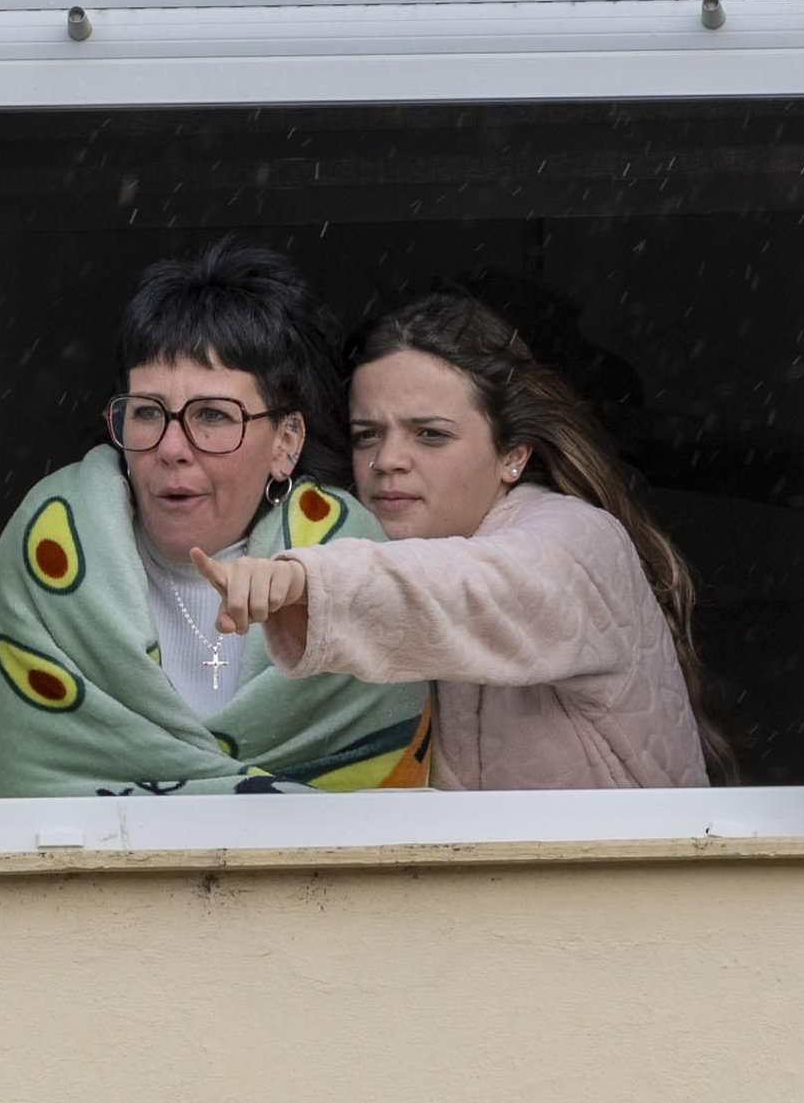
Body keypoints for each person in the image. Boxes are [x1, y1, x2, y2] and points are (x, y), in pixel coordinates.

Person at [192, 291, 731, 791]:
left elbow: (472, 589)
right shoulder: (377, 550)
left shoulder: (577, 540)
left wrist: (307, 578)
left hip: (632, 893)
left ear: (512, 455)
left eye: (431, 434)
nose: (388, 461)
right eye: (367, 435)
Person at [0, 238, 432, 797]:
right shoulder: (43, 546)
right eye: (148, 413)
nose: (171, 447)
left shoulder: (350, 556)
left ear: (286, 441)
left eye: (212, 415)